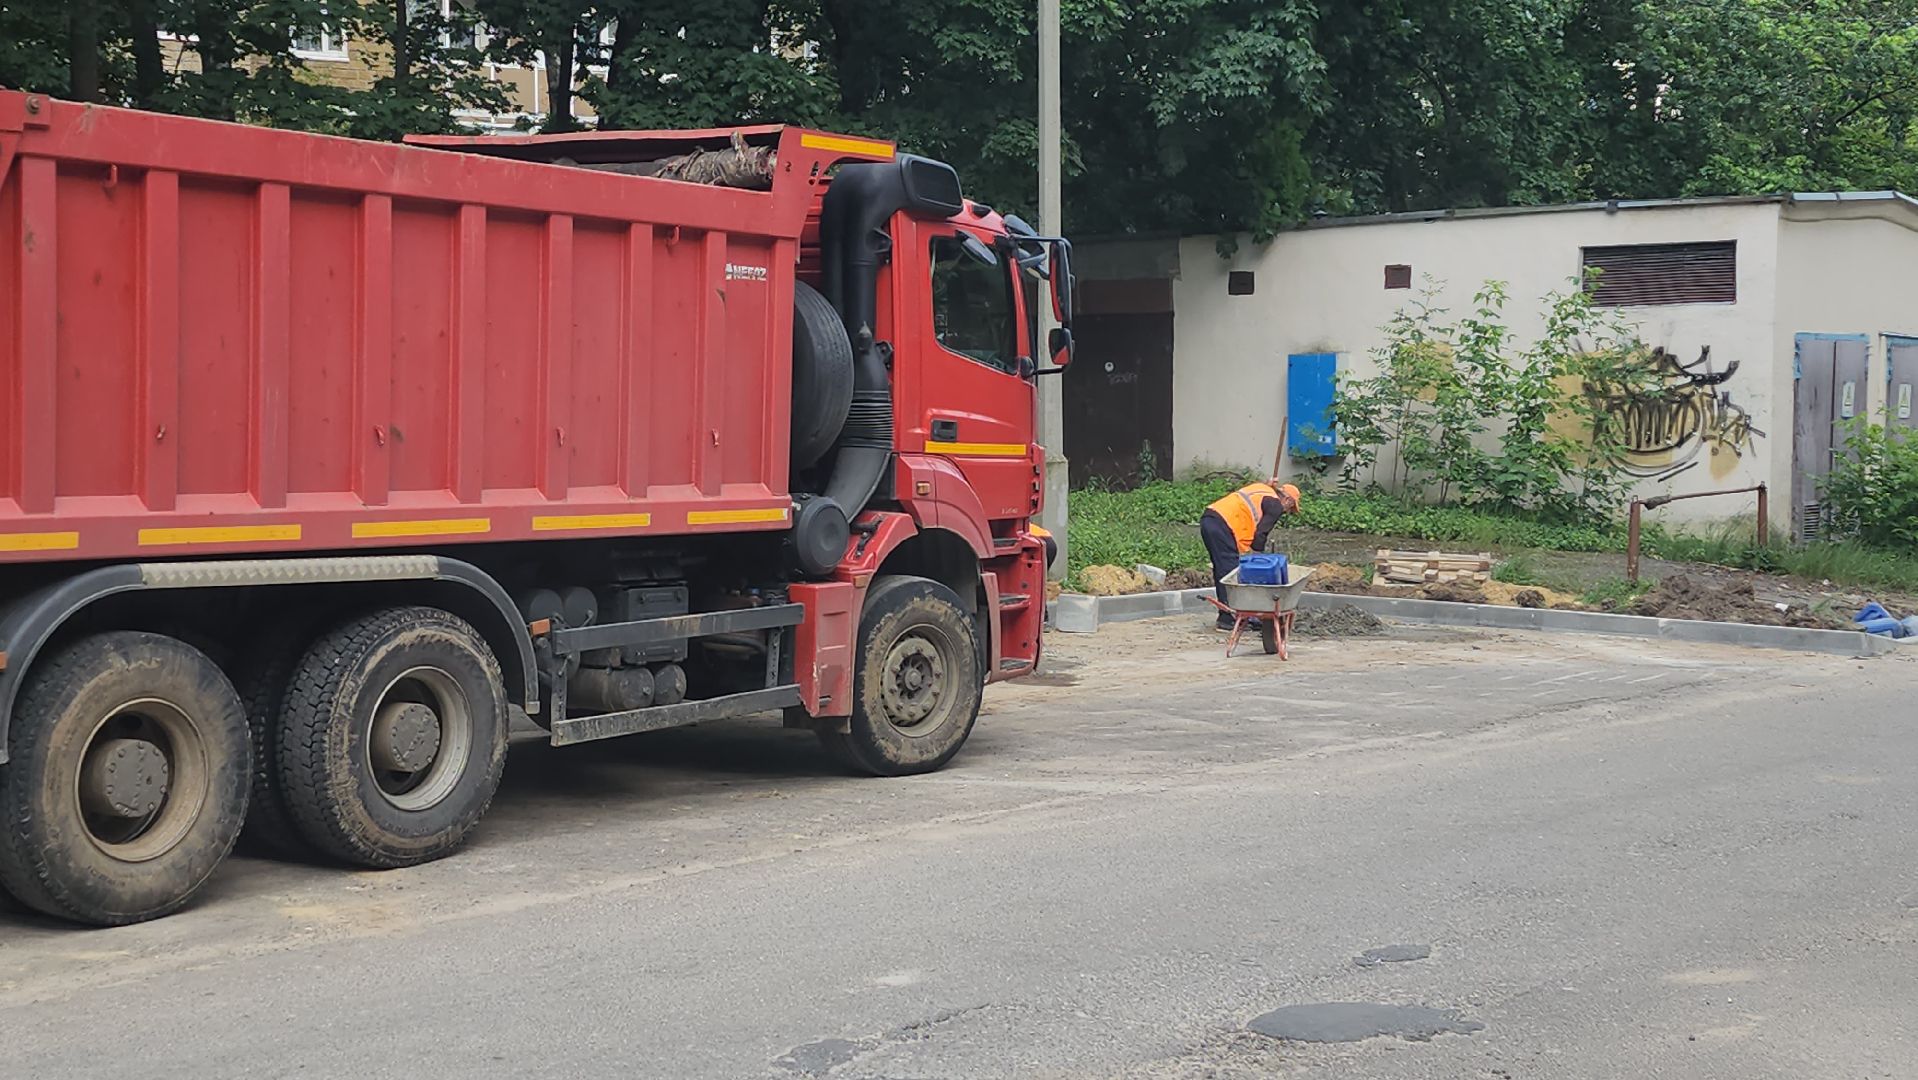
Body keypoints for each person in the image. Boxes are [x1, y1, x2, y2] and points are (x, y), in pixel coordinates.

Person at [1200, 479, 1300, 629]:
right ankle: (1228, 618)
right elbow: (1260, 535)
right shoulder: (1276, 505)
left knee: (1222, 569)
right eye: (1289, 508)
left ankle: (1227, 614)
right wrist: (1259, 560)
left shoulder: (1262, 488)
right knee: (1230, 572)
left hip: (1209, 518)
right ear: (1287, 500)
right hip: (1223, 525)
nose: (1285, 512)